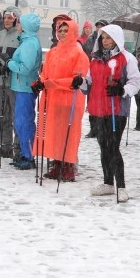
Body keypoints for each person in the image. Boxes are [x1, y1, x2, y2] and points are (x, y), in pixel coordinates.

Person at [82, 24, 140, 202]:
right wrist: (80, 82)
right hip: (98, 109)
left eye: (108, 37)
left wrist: (122, 90)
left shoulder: (127, 58)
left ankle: (121, 186)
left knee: (113, 146)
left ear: (116, 39)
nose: (105, 41)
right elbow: (88, 83)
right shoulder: (95, 59)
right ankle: (108, 182)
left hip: (116, 110)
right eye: (103, 38)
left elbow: (136, 82)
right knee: (103, 146)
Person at [35, 18, 89, 180]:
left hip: (69, 100)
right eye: (61, 30)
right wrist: (41, 82)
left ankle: (68, 166)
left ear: (72, 32)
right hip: (53, 99)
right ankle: (56, 163)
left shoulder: (79, 53)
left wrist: (56, 84)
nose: (63, 33)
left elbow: (76, 79)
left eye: (66, 31)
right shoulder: (53, 52)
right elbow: (45, 72)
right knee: (55, 132)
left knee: (68, 134)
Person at [7, 13, 43, 171]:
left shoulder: (29, 43)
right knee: (21, 122)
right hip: (22, 86)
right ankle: (25, 153)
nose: (17, 25)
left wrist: (9, 63)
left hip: (25, 87)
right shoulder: (27, 41)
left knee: (24, 122)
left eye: (20, 23)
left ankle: (28, 156)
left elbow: (25, 67)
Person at [0, 6, 22, 159]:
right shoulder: (0, 35)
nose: (7, 20)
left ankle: (18, 148)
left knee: (16, 116)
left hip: (14, 82)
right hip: (0, 80)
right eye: (5, 18)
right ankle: (4, 146)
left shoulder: (20, 36)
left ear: (16, 19)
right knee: (3, 115)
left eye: (10, 18)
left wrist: (8, 66)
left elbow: (21, 59)